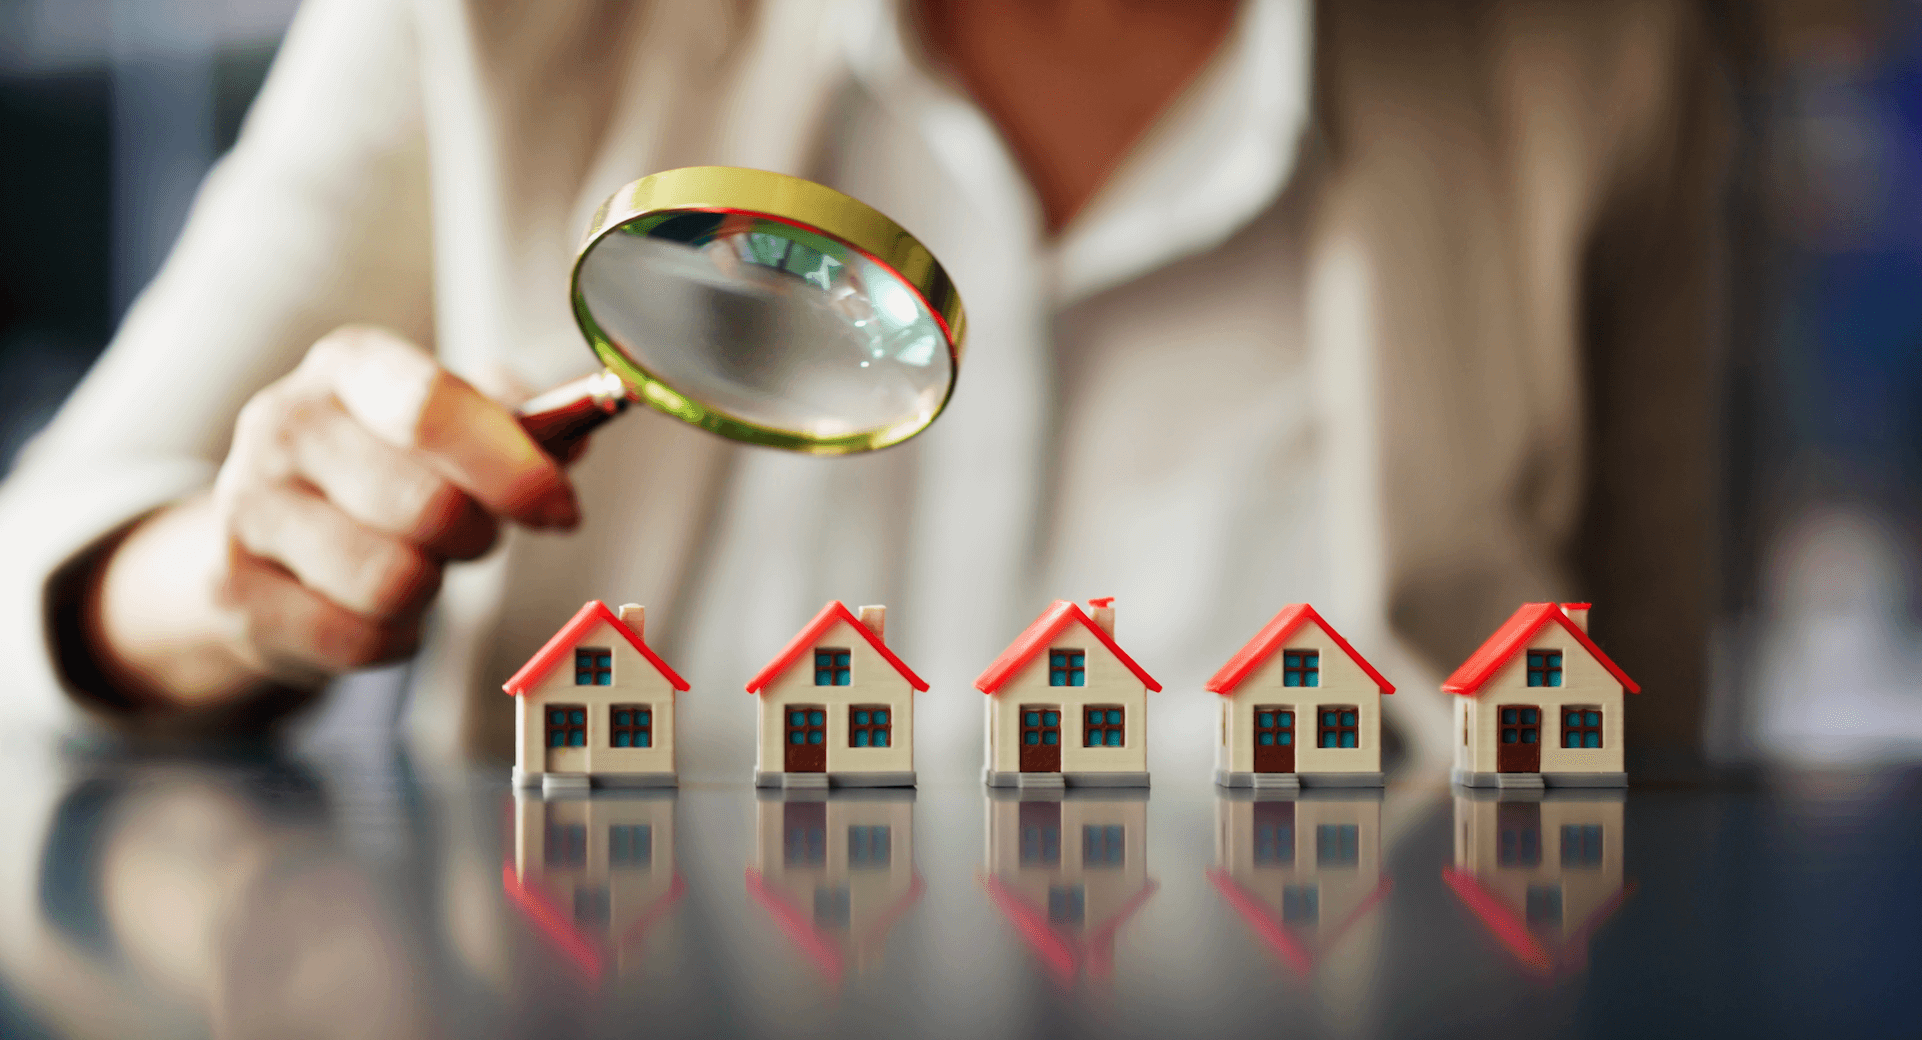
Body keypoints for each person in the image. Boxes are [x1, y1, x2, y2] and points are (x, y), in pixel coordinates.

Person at [0, 0, 1728, 777]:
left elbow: (1647, 782)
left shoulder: (1595, 51)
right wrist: (235, 582)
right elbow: (42, 567)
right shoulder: (489, 17)